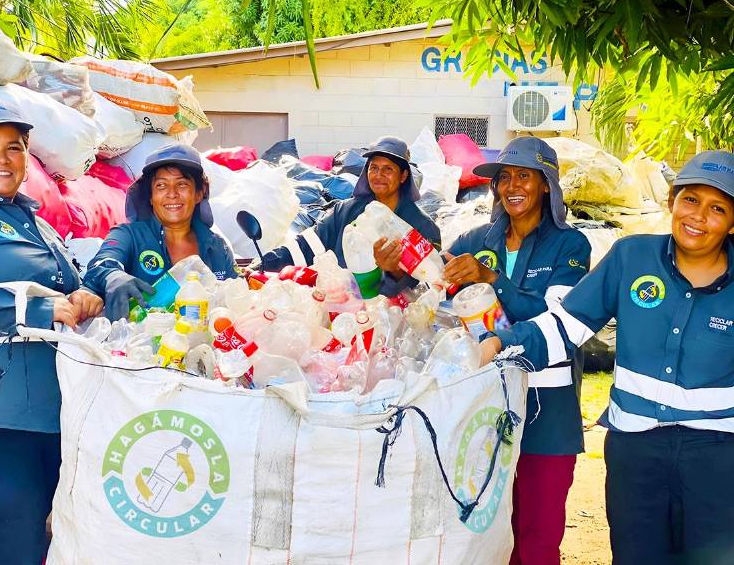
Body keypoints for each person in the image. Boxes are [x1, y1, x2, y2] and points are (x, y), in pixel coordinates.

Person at [480, 150, 734, 564]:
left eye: (717, 208)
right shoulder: (631, 258)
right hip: (635, 448)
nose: (699, 216)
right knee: (636, 555)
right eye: (691, 200)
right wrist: (498, 342)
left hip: (719, 455)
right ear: (672, 201)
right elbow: (566, 325)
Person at [0, 100, 103, 563]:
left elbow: (64, 292)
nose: (2, 158)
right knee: (8, 555)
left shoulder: (37, 223)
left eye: (15, 147)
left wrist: (86, 296)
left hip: (50, 424)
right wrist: (35, 308)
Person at [442, 136, 591, 565]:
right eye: (504, 177)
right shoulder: (475, 239)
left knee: (538, 533)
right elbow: (435, 302)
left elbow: (555, 319)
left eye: (524, 175)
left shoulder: (570, 245)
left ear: (546, 184)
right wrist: (402, 269)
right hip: (484, 400)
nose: (511, 185)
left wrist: (494, 280)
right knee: (486, 527)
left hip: (548, 403)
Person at [255, 136, 440, 296]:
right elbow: (307, 245)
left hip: (389, 321)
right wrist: (263, 264)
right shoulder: (345, 212)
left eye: (388, 169)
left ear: (403, 176)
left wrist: (395, 273)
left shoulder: (423, 227)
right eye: (373, 168)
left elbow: (428, 287)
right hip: (341, 308)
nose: (378, 175)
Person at [83, 143, 236, 320]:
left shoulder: (217, 247)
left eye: (182, 184)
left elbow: (231, 299)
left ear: (199, 193)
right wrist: (114, 276)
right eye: (161, 186)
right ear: (150, 196)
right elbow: (102, 264)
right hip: (136, 344)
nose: (172, 193)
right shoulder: (128, 235)